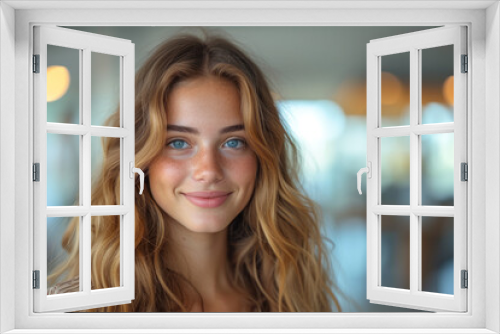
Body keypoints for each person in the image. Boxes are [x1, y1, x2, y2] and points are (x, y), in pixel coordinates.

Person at [48, 32, 341, 312]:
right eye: (178, 142)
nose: (209, 171)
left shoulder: (293, 296)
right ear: (139, 158)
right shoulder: (88, 309)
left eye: (234, 142)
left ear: (263, 157)